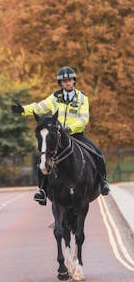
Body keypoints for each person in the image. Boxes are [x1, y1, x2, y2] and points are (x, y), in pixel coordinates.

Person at [11, 66, 110, 205]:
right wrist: (23, 109)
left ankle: (103, 181)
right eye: (64, 81)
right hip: (57, 137)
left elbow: (83, 119)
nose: (67, 83)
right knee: (43, 159)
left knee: (97, 153)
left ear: (74, 81)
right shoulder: (55, 97)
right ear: (60, 84)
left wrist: (70, 128)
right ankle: (42, 191)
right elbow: (39, 107)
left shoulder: (82, 98)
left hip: (76, 135)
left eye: (69, 80)